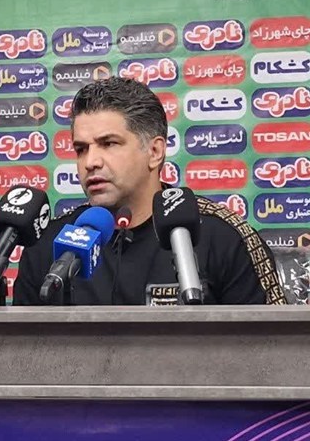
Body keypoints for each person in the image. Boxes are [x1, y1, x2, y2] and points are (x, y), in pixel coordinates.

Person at [14, 77, 286, 306]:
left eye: (108, 144)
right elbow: (19, 350)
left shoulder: (223, 235)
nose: (90, 162)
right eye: (81, 149)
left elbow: (272, 346)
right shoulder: (49, 245)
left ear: (155, 152)